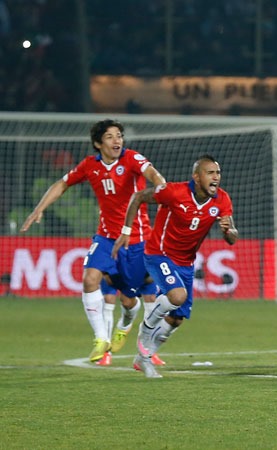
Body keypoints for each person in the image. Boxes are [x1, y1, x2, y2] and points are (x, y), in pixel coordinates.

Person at [20, 119, 167, 365]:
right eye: (110, 136)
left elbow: (154, 175)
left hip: (137, 239)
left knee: (130, 300)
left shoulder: (132, 158)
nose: (117, 140)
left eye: (119, 135)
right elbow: (62, 184)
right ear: (98, 143)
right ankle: (101, 339)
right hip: (106, 237)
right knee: (90, 279)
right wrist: (39, 208)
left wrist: (163, 191)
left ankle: (126, 325)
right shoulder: (90, 165)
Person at [113, 154, 237, 378]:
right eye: (210, 173)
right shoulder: (174, 192)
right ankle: (146, 328)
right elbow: (138, 196)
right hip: (158, 254)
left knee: (176, 319)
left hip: (186, 262)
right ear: (196, 177)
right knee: (177, 296)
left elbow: (232, 238)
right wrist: (126, 231)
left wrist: (229, 230)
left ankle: (144, 358)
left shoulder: (222, 199)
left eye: (218, 173)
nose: (216, 177)